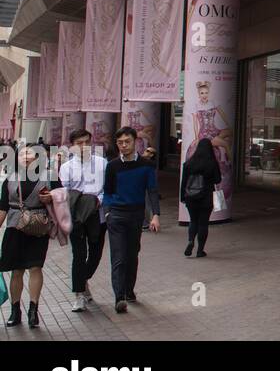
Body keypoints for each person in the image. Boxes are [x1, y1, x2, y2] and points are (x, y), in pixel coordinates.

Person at [0, 144, 61, 328]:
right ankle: (15, 309)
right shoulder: (10, 179)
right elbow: (3, 208)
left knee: (35, 267)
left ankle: (33, 310)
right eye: (23, 154)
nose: (27, 157)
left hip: (38, 227)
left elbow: (63, 196)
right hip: (14, 226)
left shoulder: (49, 176)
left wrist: (52, 196)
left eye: (32, 154)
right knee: (16, 270)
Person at [102, 126, 161, 314]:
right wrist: (109, 212)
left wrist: (155, 215)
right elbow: (108, 191)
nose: (124, 145)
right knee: (118, 256)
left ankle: (129, 290)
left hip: (136, 215)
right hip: (117, 216)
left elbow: (152, 191)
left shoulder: (146, 166)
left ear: (135, 142)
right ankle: (119, 297)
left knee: (132, 254)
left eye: (127, 141)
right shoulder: (112, 166)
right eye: (120, 142)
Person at [59, 129, 107, 312]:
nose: (84, 146)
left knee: (95, 254)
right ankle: (79, 294)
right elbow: (65, 192)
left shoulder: (102, 164)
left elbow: (107, 189)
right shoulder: (66, 167)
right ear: (72, 146)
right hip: (76, 216)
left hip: (97, 214)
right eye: (79, 143)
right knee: (78, 255)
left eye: (87, 142)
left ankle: (83, 280)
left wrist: (97, 202)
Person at [180, 138, 222, 257]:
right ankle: (200, 250)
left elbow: (184, 182)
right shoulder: (212, 163)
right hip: (206, 197)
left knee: (193, 221)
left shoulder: (189, 163)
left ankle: (190, 241)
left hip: (190, 196)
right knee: (203, 223)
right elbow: (218, 179)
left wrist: (182, 196)